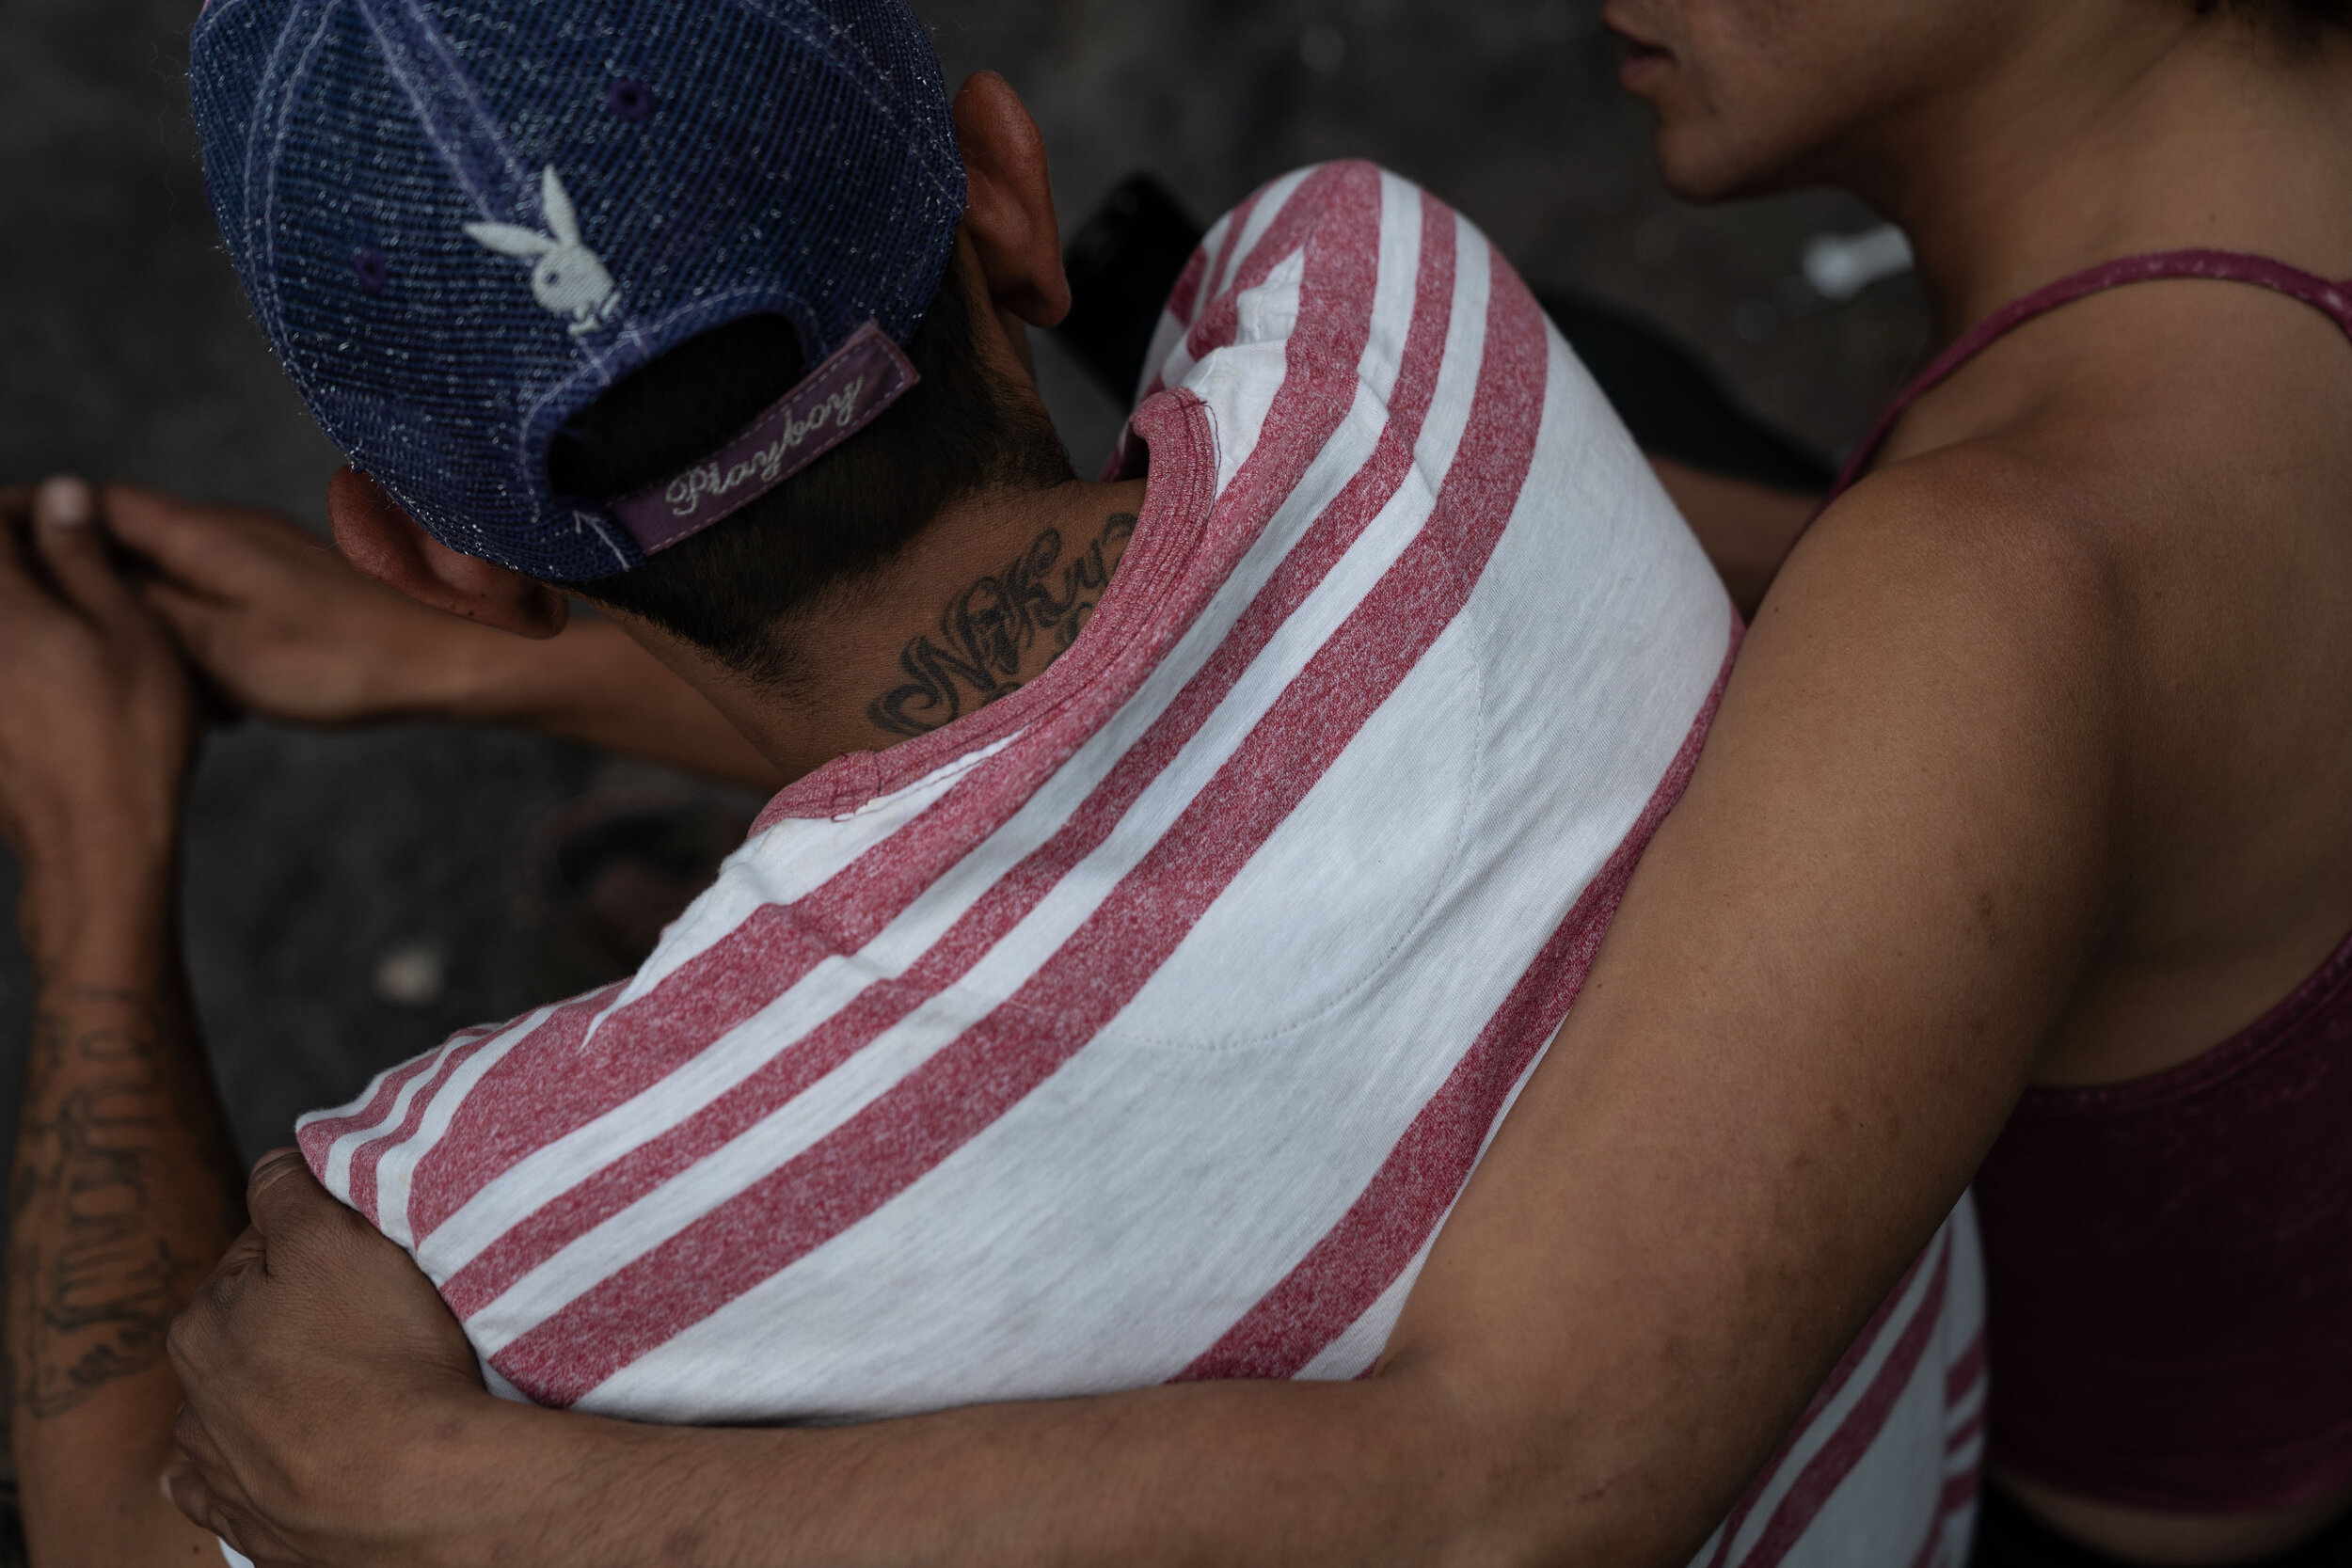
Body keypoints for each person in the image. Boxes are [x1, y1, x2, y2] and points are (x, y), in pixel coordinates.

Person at [25, 0, 2352, 1557]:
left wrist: (98, 859)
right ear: (1008, 198)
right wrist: (502, 688)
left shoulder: (475, 1243)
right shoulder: (1388, 314)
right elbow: (1133, 685)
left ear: (424, 550)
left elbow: (1509, 1488)